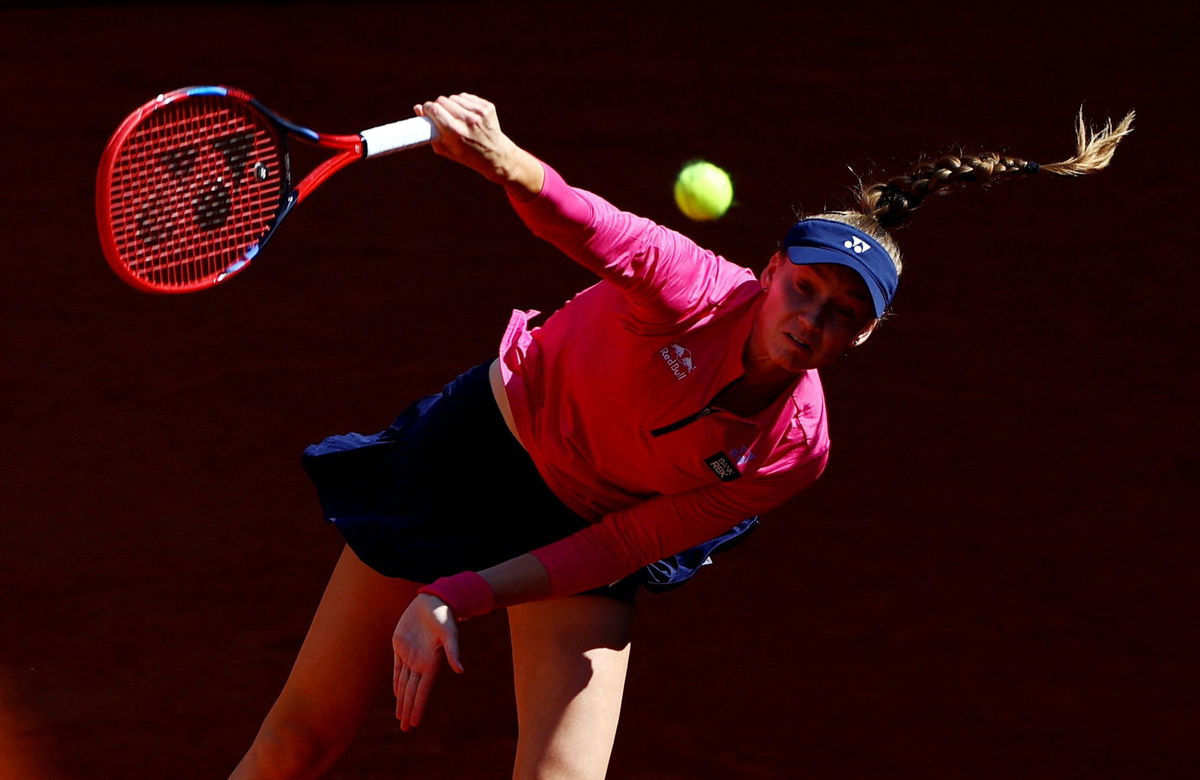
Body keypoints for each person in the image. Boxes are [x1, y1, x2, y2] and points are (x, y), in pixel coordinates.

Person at [231, 95, 1133, 778]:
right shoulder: (691, 285)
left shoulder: (794, 450)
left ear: (863, 337)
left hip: (588, 523)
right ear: (770, 272)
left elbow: (626, 541)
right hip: (476, 457)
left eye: (844, 314)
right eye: (805, 289)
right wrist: (504, 160)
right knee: (303, 734)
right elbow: (590, 225)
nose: (814, 318)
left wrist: (455, 597)